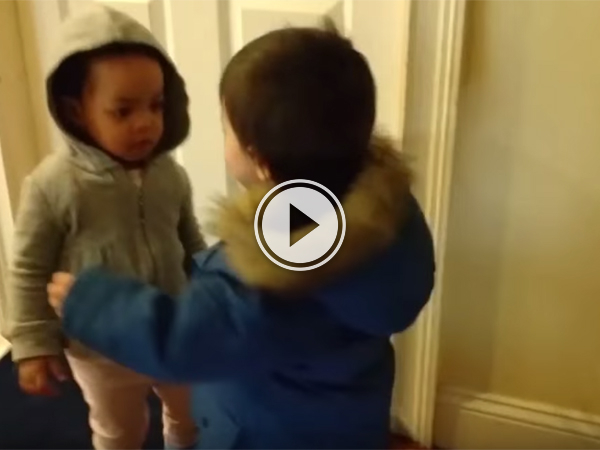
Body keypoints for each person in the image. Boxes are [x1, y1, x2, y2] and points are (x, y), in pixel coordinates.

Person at [48, 20, 436, 449]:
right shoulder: (390, 218)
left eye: (226, 128)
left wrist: (93, 303)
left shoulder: (264, 281)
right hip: (348, 424)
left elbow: (181, 343)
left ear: (260, 162)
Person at [2, 5, 203, 450]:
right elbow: (29, 268)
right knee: (118, 428)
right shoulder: (54, 185)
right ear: (77, 112)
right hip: (100, 348)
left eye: (156, 105)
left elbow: (190, 241)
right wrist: (33, 343)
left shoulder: (171, 176)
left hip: (171, 326)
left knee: (190, 413)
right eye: (123, 110)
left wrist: (209, 288)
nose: (145, 122)